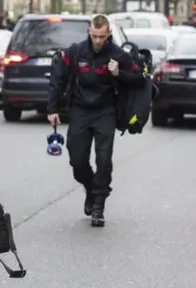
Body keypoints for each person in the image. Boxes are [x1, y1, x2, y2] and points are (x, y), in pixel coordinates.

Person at [46, 14, 144, 227]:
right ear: (89, 32)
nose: (98, 41)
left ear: (108, 34)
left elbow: (139, 78)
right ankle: (90, 188)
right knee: (77, 160)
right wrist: (52, 108)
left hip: (105, 112)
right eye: (95, 36)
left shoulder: (117, 55)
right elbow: (58, 77)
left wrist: (119, 73)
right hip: (80, 110)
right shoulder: (76, 51)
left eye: (102, 37)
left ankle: (98, 204)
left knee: (104, 160)